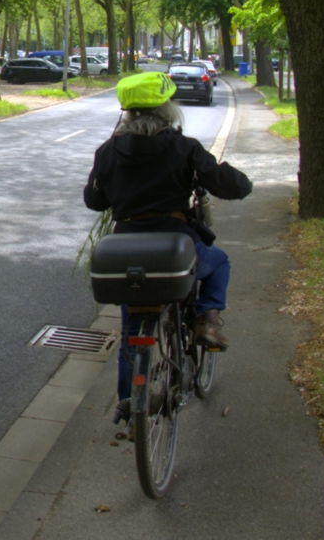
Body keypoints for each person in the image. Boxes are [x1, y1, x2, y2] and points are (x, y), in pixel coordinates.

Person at [83, 72, 253, 410]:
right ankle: (206, 319)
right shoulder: (183, 147)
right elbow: (230, 184)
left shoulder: (108, 151)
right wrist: (236, 177)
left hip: (126, 255)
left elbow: (95, 201)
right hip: (174, 249)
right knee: (218, 262)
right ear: (167, 109)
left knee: (133, 332)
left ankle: (131, 408)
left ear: (128, 113)